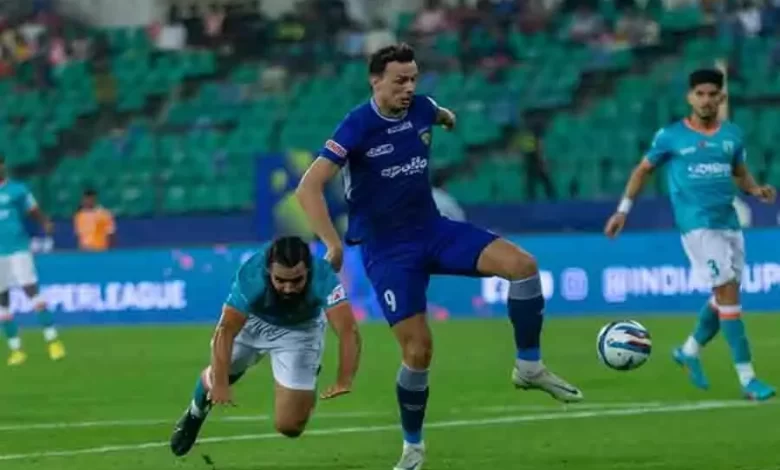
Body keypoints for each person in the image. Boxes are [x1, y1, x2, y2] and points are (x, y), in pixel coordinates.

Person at [295, 43, 582, 470]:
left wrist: (447, 117)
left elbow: (440, 113)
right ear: (375, 81)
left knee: (523, 267)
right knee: (418, 351)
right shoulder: (357, 125)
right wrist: (332, 244)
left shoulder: (422, 107)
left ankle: (529, 366)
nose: (409, 88)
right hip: (388, 251)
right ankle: (413, 447)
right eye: (400, 81)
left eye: (414, 79)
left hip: (433, 230)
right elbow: (308, 187)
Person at [604, 68, 776, 401]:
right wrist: (623, 210)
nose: (706, 100)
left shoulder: (732, 135)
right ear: (689, 97)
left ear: (721, 98)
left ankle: (688, 351)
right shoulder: (670, 137)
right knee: (728, 293)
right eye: (700, 94)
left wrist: (755, 189)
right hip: (697, 225)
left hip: (728, 223)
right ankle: (748, 379)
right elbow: (642, 170)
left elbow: (739, 172)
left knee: (723, 296)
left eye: (712, 94)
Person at [170, 236, 362, 456]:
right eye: (280, 280)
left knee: (290, 426)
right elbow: (227, 330)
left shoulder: (323, 276)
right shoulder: (252, 276)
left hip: (300, 330)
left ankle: (306, 377)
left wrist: (344, 379)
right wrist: (221, 383)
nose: (288, 288)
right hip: (253, 321)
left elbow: (348, 330)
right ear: (268, 271)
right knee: (219, 373)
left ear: (308, 270)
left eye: (296, 280)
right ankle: (195, 414)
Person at [0, 157, 65, 366]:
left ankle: (53, 341)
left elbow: (33, 209)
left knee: (31, 291)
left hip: (18, 248)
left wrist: (45, 222)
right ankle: (16, 349)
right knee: (2, 301)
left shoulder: (17, 190)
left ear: (3, 166)